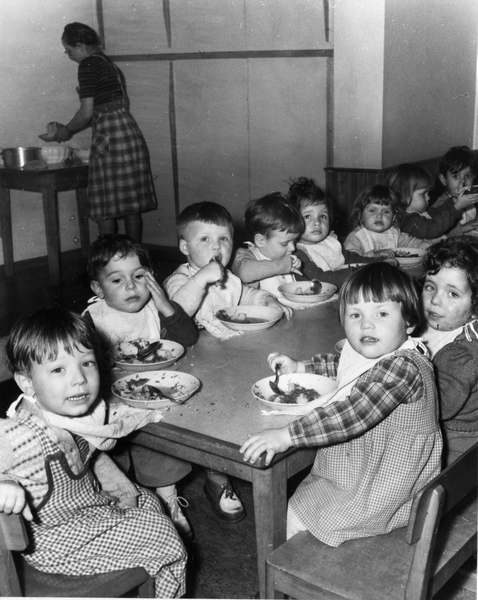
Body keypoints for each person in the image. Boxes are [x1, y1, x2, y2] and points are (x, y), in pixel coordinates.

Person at [240, 263, 442, 547]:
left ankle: (287, 574)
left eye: (382, 313)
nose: (366, 324)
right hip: (360, 466)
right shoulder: (381, 349)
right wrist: (299, 366)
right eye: (355, 314)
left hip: (384, 487)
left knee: (297, 514)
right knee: (303, 504)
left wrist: (287, 435)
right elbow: (341, 364)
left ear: (409, 322)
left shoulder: (402, 367)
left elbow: (352, 414)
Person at [0, 308, 186, 597]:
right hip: (50, 542)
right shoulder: (18, 432)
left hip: (84, 514)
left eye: (86, 363)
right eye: (58, 369)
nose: (79, 379)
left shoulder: (75, 413)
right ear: (27, 383)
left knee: (149, 502)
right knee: (160, 530)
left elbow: (92, 457)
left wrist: (123, 490)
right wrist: (3, 484)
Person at [164, 201, 288, 522]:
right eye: (204, 240)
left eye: (224, 239)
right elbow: (178, 311)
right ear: (184, 247)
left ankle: (252, 444)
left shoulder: (229, 278)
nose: (216, 247)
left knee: (241, 404)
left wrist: (267, 299)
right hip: (194, 365)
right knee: (211, 420)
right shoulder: (181, 279)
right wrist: (202, 279)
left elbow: (245, 294)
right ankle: (217, 478)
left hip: (231, 357)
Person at [82, 233, 198, 542]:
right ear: (97, 288)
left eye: (138, 277)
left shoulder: (153, 309)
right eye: (116, 280)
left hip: (152, 395)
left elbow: (188, 338)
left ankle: (169, 501)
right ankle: (122, 511)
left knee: (161, 450)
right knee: (111, 458)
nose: (131, 287)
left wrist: (165, 304)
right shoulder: (92, 319)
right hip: (109, 402)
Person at [53, 22, 157, 241]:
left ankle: (107, 262)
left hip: (110, 140)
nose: (68, 55)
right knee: (131, 205)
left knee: (105, 205)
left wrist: (65, 132)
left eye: (69, 50)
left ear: (80, 45)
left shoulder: (87, 65)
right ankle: (134, 259)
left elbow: (86, 113)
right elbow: (113, 108)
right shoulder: (106, 63)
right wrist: (70, 126)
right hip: (128, 133)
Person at [418, 238, 478, 466]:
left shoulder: (460, 355)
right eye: (430, 286)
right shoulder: (445, 323)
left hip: (455, 443)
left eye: (452, 294)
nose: (435, 300)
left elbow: (434, 409)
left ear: (476, 307)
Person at [286, 176, 382, 289]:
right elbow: (321, 278)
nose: (317, 222)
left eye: (322, 216)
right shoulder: (298, 252)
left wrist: (378, 262)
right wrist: (357, 273)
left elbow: (351, 258)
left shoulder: (330, 242)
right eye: (308, 216)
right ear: (294, 221)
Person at [231, 192, 304, 298]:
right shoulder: (245, 255)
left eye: (294, 241)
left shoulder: (284, 256)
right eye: (285, 243)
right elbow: (244, 273)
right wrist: (281, 265)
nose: (292, 248)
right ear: (260, 241)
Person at [385, 163, 475, 239]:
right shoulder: (408, 220)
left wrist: (453, 200)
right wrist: (457, 207)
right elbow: (433, 228)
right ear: (404, 196)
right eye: (423, 194)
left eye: (428, 193)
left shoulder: (421, 212)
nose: (428, 197)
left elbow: (439, 212)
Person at [343, 184, 430, 257]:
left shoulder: (394, 233)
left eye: (386, 211)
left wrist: (427, 247)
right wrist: (374, 255)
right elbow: (351, 259)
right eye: (372, 211)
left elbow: (412, 242)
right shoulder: (356, 237)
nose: (379, 216)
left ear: (393, 217)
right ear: (360, 215)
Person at [431, 146, 478, 238]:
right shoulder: (441, 204)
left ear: (474, 177)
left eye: (468, 176)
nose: (463, 182)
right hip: (453, 243)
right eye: (456, 176)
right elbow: (436, 229)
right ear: (444, 179)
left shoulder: (471, 197)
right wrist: (464, 228)